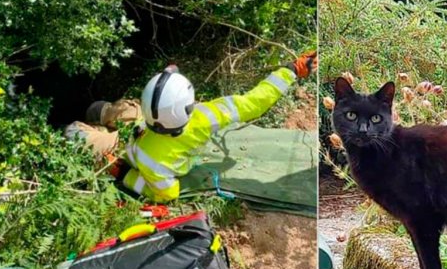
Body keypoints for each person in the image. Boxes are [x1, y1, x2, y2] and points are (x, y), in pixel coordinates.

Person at [66, 51, 317, 202]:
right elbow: (255, 102)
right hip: (140, 126)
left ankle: (96, 121)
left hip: (124, 149)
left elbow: (166, 195)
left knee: (73, 134)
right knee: (123, 112)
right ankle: (102, 114)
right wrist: (291, 70)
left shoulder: (152, 160)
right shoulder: (205, 116)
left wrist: (124, 174)